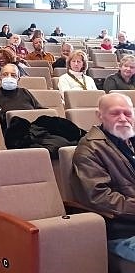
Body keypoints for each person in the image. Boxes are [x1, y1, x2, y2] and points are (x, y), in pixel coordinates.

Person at [71, 93, 135, 264]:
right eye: (115, 113)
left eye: (127, 113)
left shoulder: (131, 140)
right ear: (100, 115)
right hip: (122, 231)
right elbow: (99, 197)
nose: (123, 118)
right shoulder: (89, 150)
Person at [0, 63, 44, 130]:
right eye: (5, 74)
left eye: (13, 75)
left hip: (34, 130)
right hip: (11, 132)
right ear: (0, 77)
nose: (9, 77)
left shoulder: (25, 92)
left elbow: (40, 110)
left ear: (18, 78)